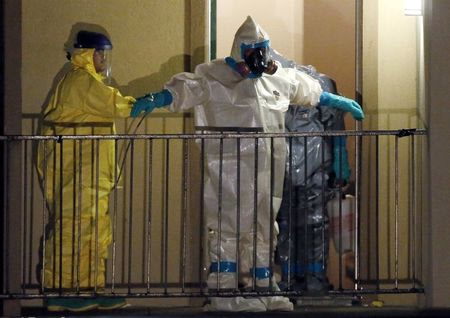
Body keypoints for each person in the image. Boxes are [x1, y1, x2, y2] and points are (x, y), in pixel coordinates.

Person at [131, 16, 363, 312]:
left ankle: (264, 287)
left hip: (268, 168)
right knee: (227, 227)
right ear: (240, 50)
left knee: (265, 227)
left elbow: (307, 90)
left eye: (262, 49)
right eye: (254, 50)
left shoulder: (276, 79)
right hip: (228, 168)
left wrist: (339, 102)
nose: (260, 57)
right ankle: (224, 292)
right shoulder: (213, 77)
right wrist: (158, 97)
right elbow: (185, 90)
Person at [37, 30, 135, 312]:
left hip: (89, 171)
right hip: (74, 170)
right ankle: (62, 291)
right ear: (84, 53)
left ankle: (90, 287)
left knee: (93, 230)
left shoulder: (87, 80)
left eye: (105, 53)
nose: (103, 58)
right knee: (72, 229)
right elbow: (113, 104)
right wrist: (143, 103)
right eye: (99, 52)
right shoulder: (80, 80)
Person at [271, 48, 353, 294]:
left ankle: (305, 278)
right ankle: (299, 278)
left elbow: (335, 125)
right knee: (295, 223)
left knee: (302, 223)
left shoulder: (318, 84)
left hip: (306, 165)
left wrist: (340, 163)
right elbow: (335, 126)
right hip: (298, 164)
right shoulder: (273, 84)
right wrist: (340, 162)